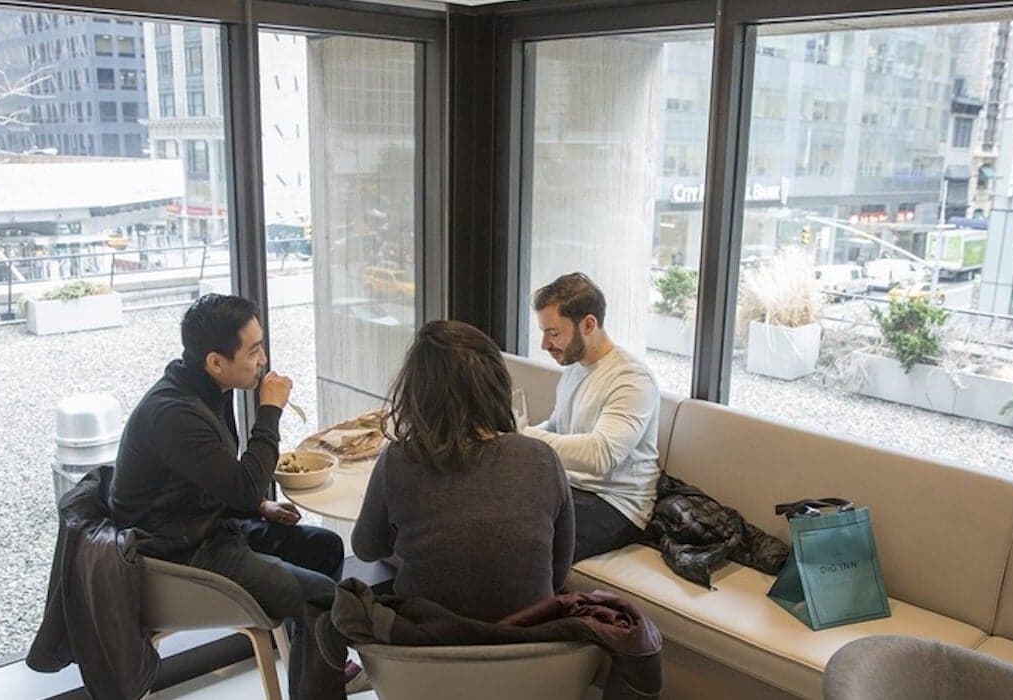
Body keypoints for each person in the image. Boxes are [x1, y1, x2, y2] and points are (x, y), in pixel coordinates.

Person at [107, 293, 356, 696]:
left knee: (325, 547)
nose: (263, 361)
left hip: (205, 528)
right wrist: (270, 411)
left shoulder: (206, 392)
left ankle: (315, 677)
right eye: (254, 351)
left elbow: (220, 484)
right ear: (215, 362)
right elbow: (243, 486)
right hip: (177, 559)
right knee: (323, 599)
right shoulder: (175, 415)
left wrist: (260, 506)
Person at [352, 320, 575, 623]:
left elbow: (366, 549)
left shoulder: (399, 460)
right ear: (497, 385)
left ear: (417, 393)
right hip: (527, 654)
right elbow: (558, 572)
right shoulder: (541, 459)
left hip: (424, 656)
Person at [521, 273, 662, 562]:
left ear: (588, 324)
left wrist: (525, 435)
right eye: (544, 332)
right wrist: (515, 439)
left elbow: (602, 454)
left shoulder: (631, 378)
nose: (544, 345)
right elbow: (558, 427)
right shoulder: (576, 367)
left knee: (523, 542)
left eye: (553, 333)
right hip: (574, 488)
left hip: (616, 505)